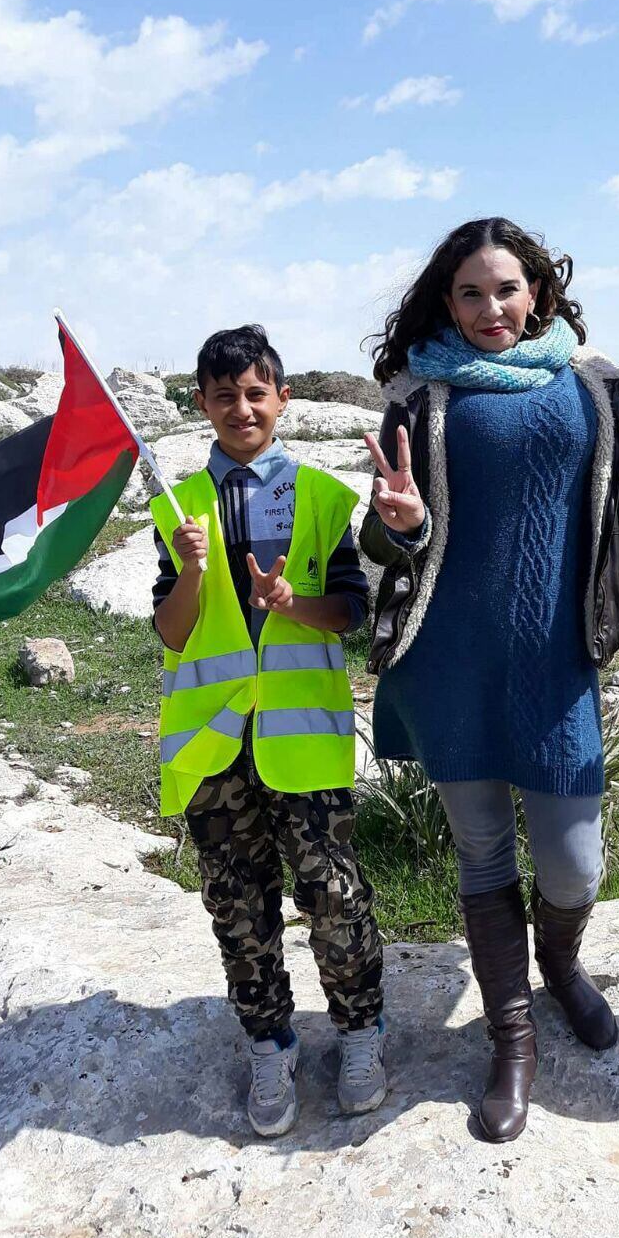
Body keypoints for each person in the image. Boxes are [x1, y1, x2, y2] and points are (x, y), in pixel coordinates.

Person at [360, 217, 619, 1144]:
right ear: (446, 302)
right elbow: (388, 538)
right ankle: (513, 1037)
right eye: (470, 293)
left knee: (574, 863)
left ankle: (562, 964)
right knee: (483, 852)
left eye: (506, 289)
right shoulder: (420, 396)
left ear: (537, 290)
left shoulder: (591, 387)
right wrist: (400, 523)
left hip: (556, 663)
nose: (490, 308)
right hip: (451, 660)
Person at [150, 324, 385, 1137]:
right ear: (201, 404)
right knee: (238, 903)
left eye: (256, 393)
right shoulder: (178, 503)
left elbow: (350, 610)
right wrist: (190, 571)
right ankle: (268, 1042)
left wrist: (292, 605)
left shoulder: (321, 497)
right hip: (213, 743)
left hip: (302, 738)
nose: (242, 408)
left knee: (332, 893)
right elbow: (173, 632)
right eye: (225, 396)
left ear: (283, 399)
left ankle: (361, 1032)